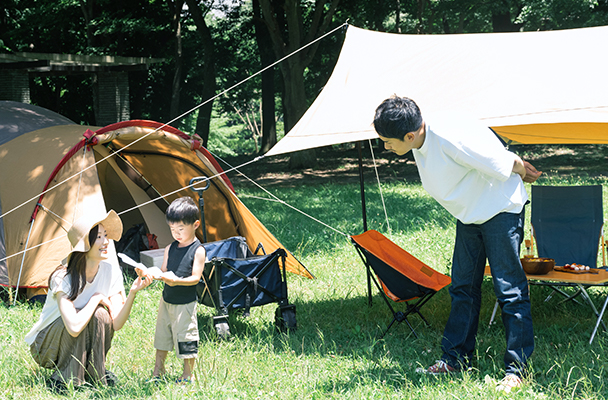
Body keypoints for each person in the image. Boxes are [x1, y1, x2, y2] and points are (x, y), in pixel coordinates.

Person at [372, 96, 542, 392]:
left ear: (409, 135)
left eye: (387, 141)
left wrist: (523, 169)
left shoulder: (448, 138)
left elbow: (502, 161)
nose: (385, 146)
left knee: (509, 290)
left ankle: (517, 370)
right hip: (471, 213)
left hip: (499, 208)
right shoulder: (418, 140)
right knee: (463, 286)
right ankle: (454, 360)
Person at [25, 210, 152, 391]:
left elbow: (115, 324)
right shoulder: (63, 277)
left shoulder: (110, 271)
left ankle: (94, 374)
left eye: (106, 236)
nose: (106, 241)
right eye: (99, 237)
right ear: (85, 244)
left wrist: (132, 293)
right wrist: (97, 298)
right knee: (89, 313)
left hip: (76, 340)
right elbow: (74, 327)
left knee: (101, 314)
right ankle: (66, 380)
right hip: (47, 346)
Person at [141, 196, 206, 383]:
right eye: (172, 229)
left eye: (180, 229)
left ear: (195, 224)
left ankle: (188, 375)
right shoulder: (170, 247)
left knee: (186, 337)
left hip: (185, 303)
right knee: (162, 336)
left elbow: (195, 278)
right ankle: (157, 372)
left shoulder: (198, 250)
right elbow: (163, 271)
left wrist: (177, 280)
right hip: (166, 300)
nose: (176, 233)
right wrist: (150, 273)